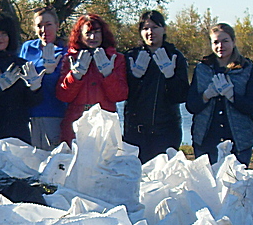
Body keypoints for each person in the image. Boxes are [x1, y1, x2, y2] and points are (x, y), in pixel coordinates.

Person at [185, 22, 253, 166]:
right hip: (205, 140)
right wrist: (206, 95)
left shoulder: (246, 68)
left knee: (235, 185)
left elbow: (251, 107)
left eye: (225, 41)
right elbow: (191, 106)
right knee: (208, 185)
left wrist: (232, 96)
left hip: (239, 140)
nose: (221, 46)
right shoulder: (202, 69)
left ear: (233, 41)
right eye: (216, 42)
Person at [123, 9, 189, 163]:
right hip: (135, 131)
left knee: (163, 178)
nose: (150, 32)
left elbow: (181, 96)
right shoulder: (132, 56)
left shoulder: (175, 56)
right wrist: (135, 77)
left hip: (166, 131)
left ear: (164, 29)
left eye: (155, 27)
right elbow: (123, 94)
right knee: (136, 175)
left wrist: (170, 76)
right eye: (145, 28)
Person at [56, 13, 128, 145]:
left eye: (97, 32)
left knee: (106, 163)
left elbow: (120, 95)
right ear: (80, 35)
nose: (93, 37)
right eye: (88, 33)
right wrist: (75, 75)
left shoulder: (115, 58)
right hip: (76, 122)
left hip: (105, 121)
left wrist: (108, 74)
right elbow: (63, 96)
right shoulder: (70, 58)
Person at [0, 13, 43, 144]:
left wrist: (35, 89)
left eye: (4, 34)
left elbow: (30, 102)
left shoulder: (20, 64)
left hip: (18, 130)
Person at [18, 8, 66, 150]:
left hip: (54, 115)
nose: (44, 29)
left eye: (48, 24)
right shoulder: (28, 47)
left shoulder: (66, 51)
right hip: (28, 116)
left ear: (57, 26)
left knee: (52, 163)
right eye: (39, 26)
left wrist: (51, 73)